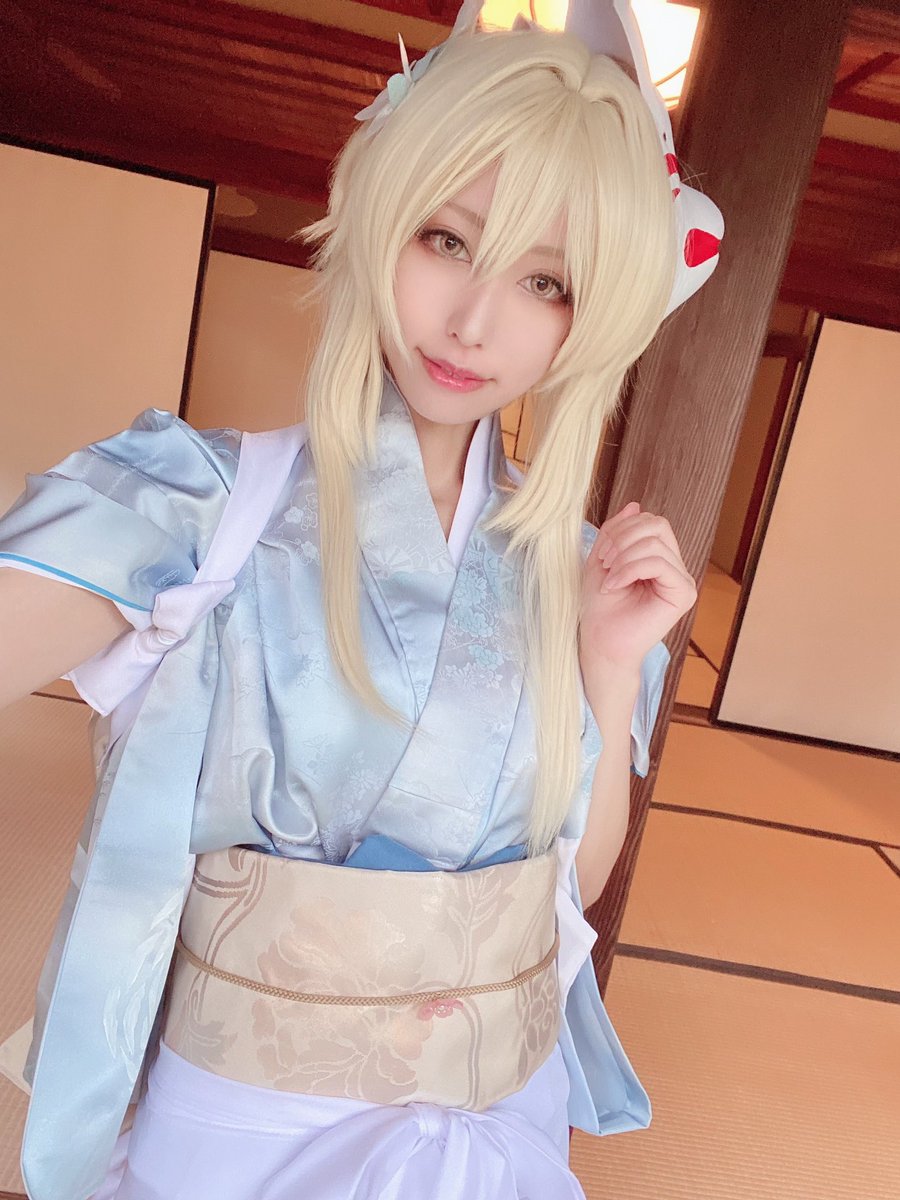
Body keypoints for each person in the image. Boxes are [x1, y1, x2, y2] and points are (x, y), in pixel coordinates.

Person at [0, 2, 722, 1197]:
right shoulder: (199, 503)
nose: (475, 323)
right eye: (447, 240)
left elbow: (573, 883)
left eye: (545, 281)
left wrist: (605, 660)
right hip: (249, 1125)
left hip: (504, 1107)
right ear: (382, 217)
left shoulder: (581, 569)